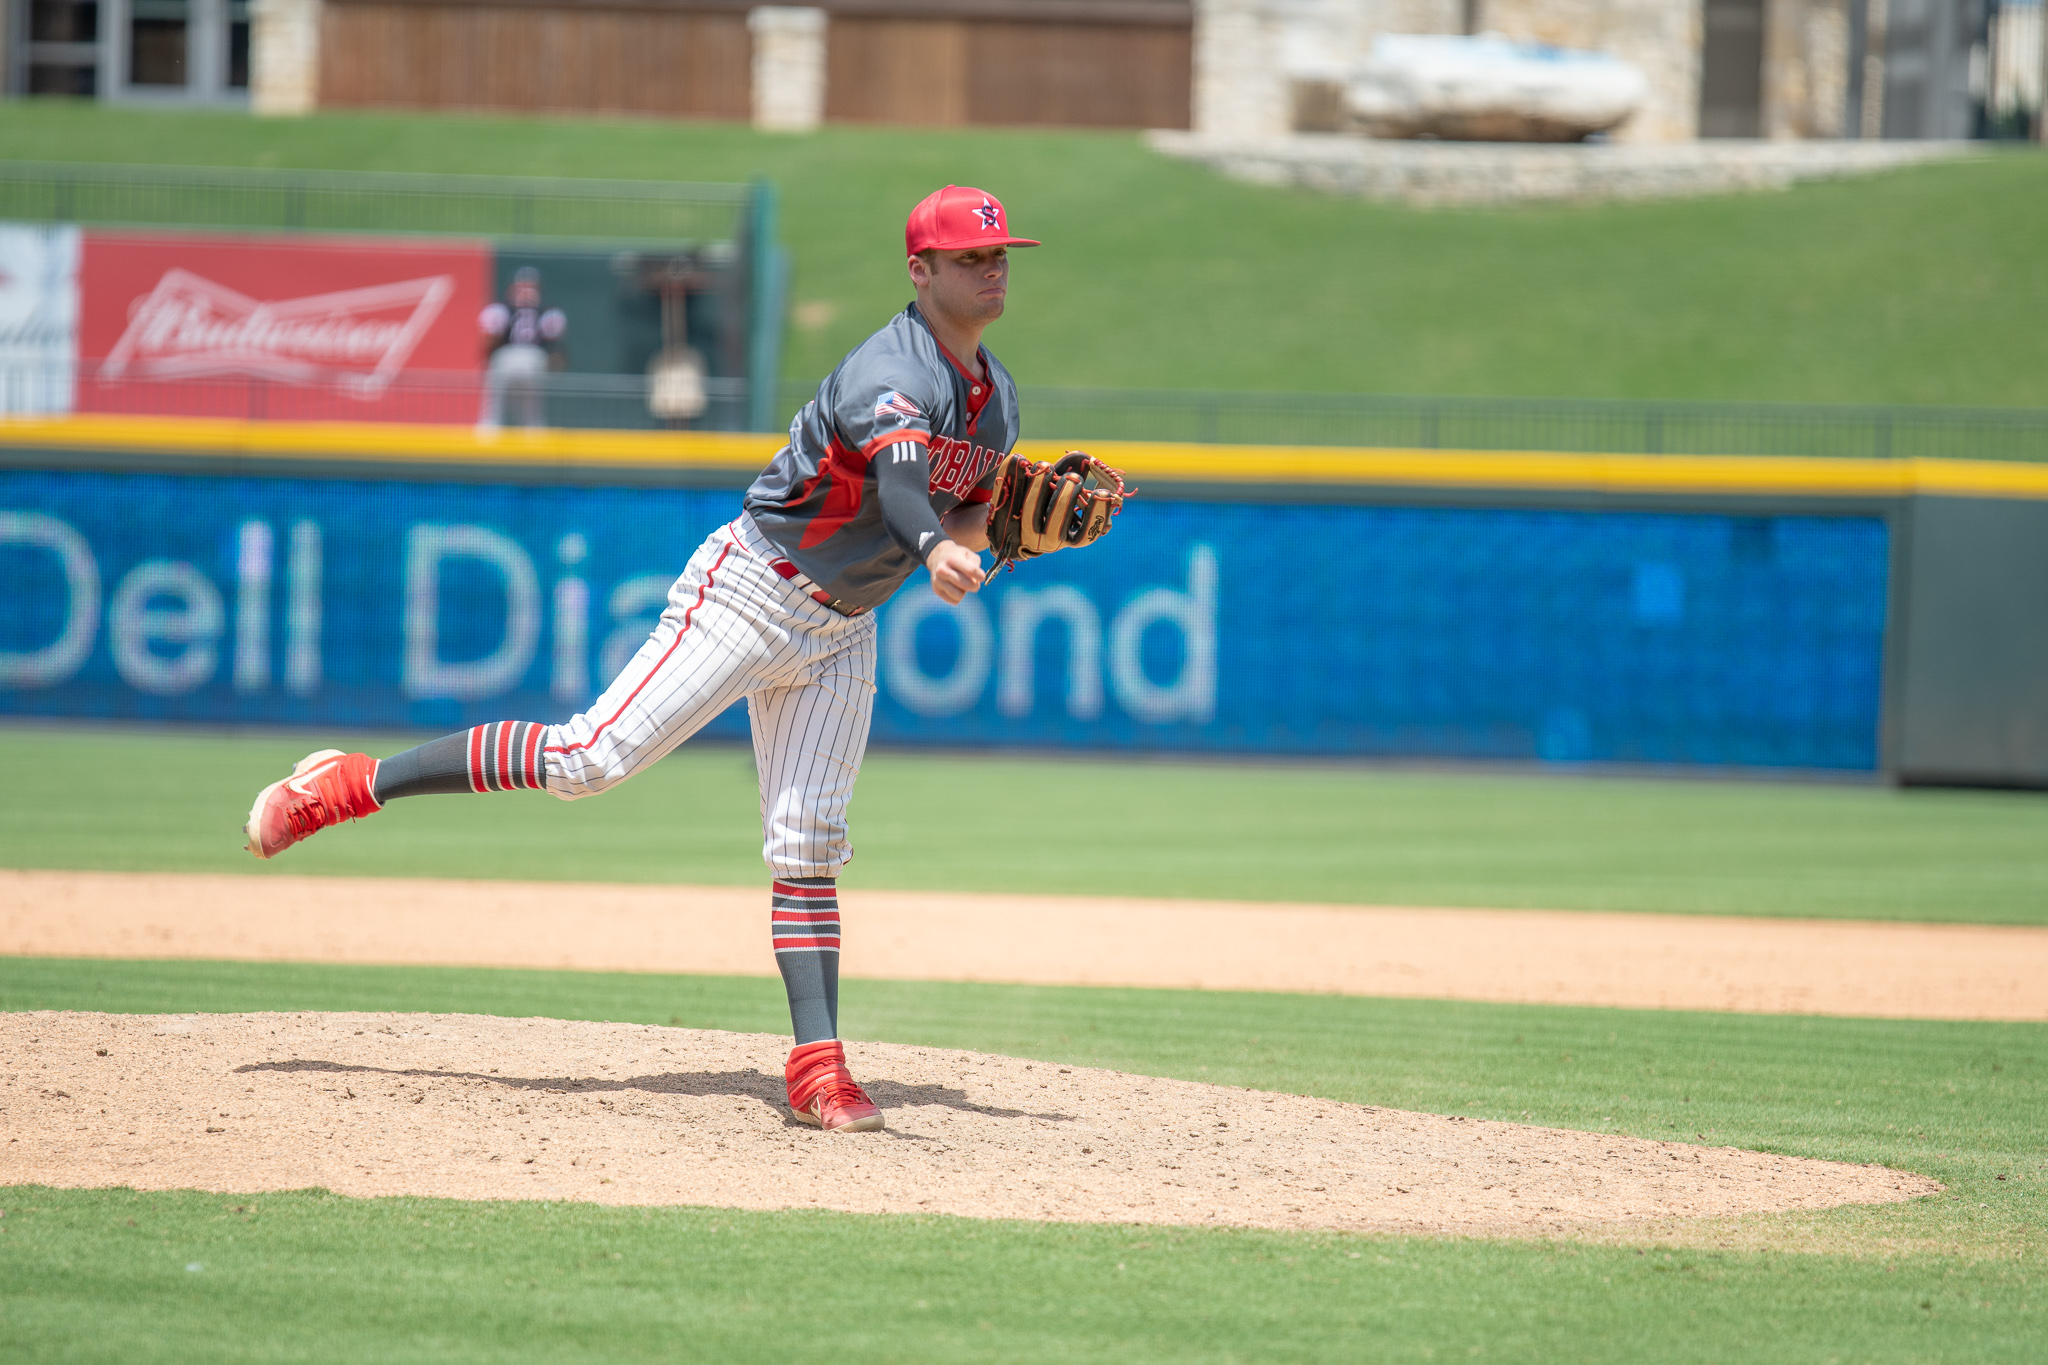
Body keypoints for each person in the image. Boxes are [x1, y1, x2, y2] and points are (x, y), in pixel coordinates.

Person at [244, 186, 1057, 1134]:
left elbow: (963, 513)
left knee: (808, 840)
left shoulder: (997, 400)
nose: (992, 269)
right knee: (587, 758)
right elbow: (906, 490)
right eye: (969, 257)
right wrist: (936, 546)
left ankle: (818, 1068)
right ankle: (352, 783)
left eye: (1000, 255)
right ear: (920, 271)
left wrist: (1002, 536)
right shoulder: (894, 366)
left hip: (845, 627)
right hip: (754, 589)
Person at [477, 267, 567, 432]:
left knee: (493, 411)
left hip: (506, 357)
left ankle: (489, 435)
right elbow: (555, 346)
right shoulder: (548, 310)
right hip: (534, 358)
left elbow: (492, 338)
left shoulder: (500, 308)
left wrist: (485, 359)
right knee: (532, 414)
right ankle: (534, 436)